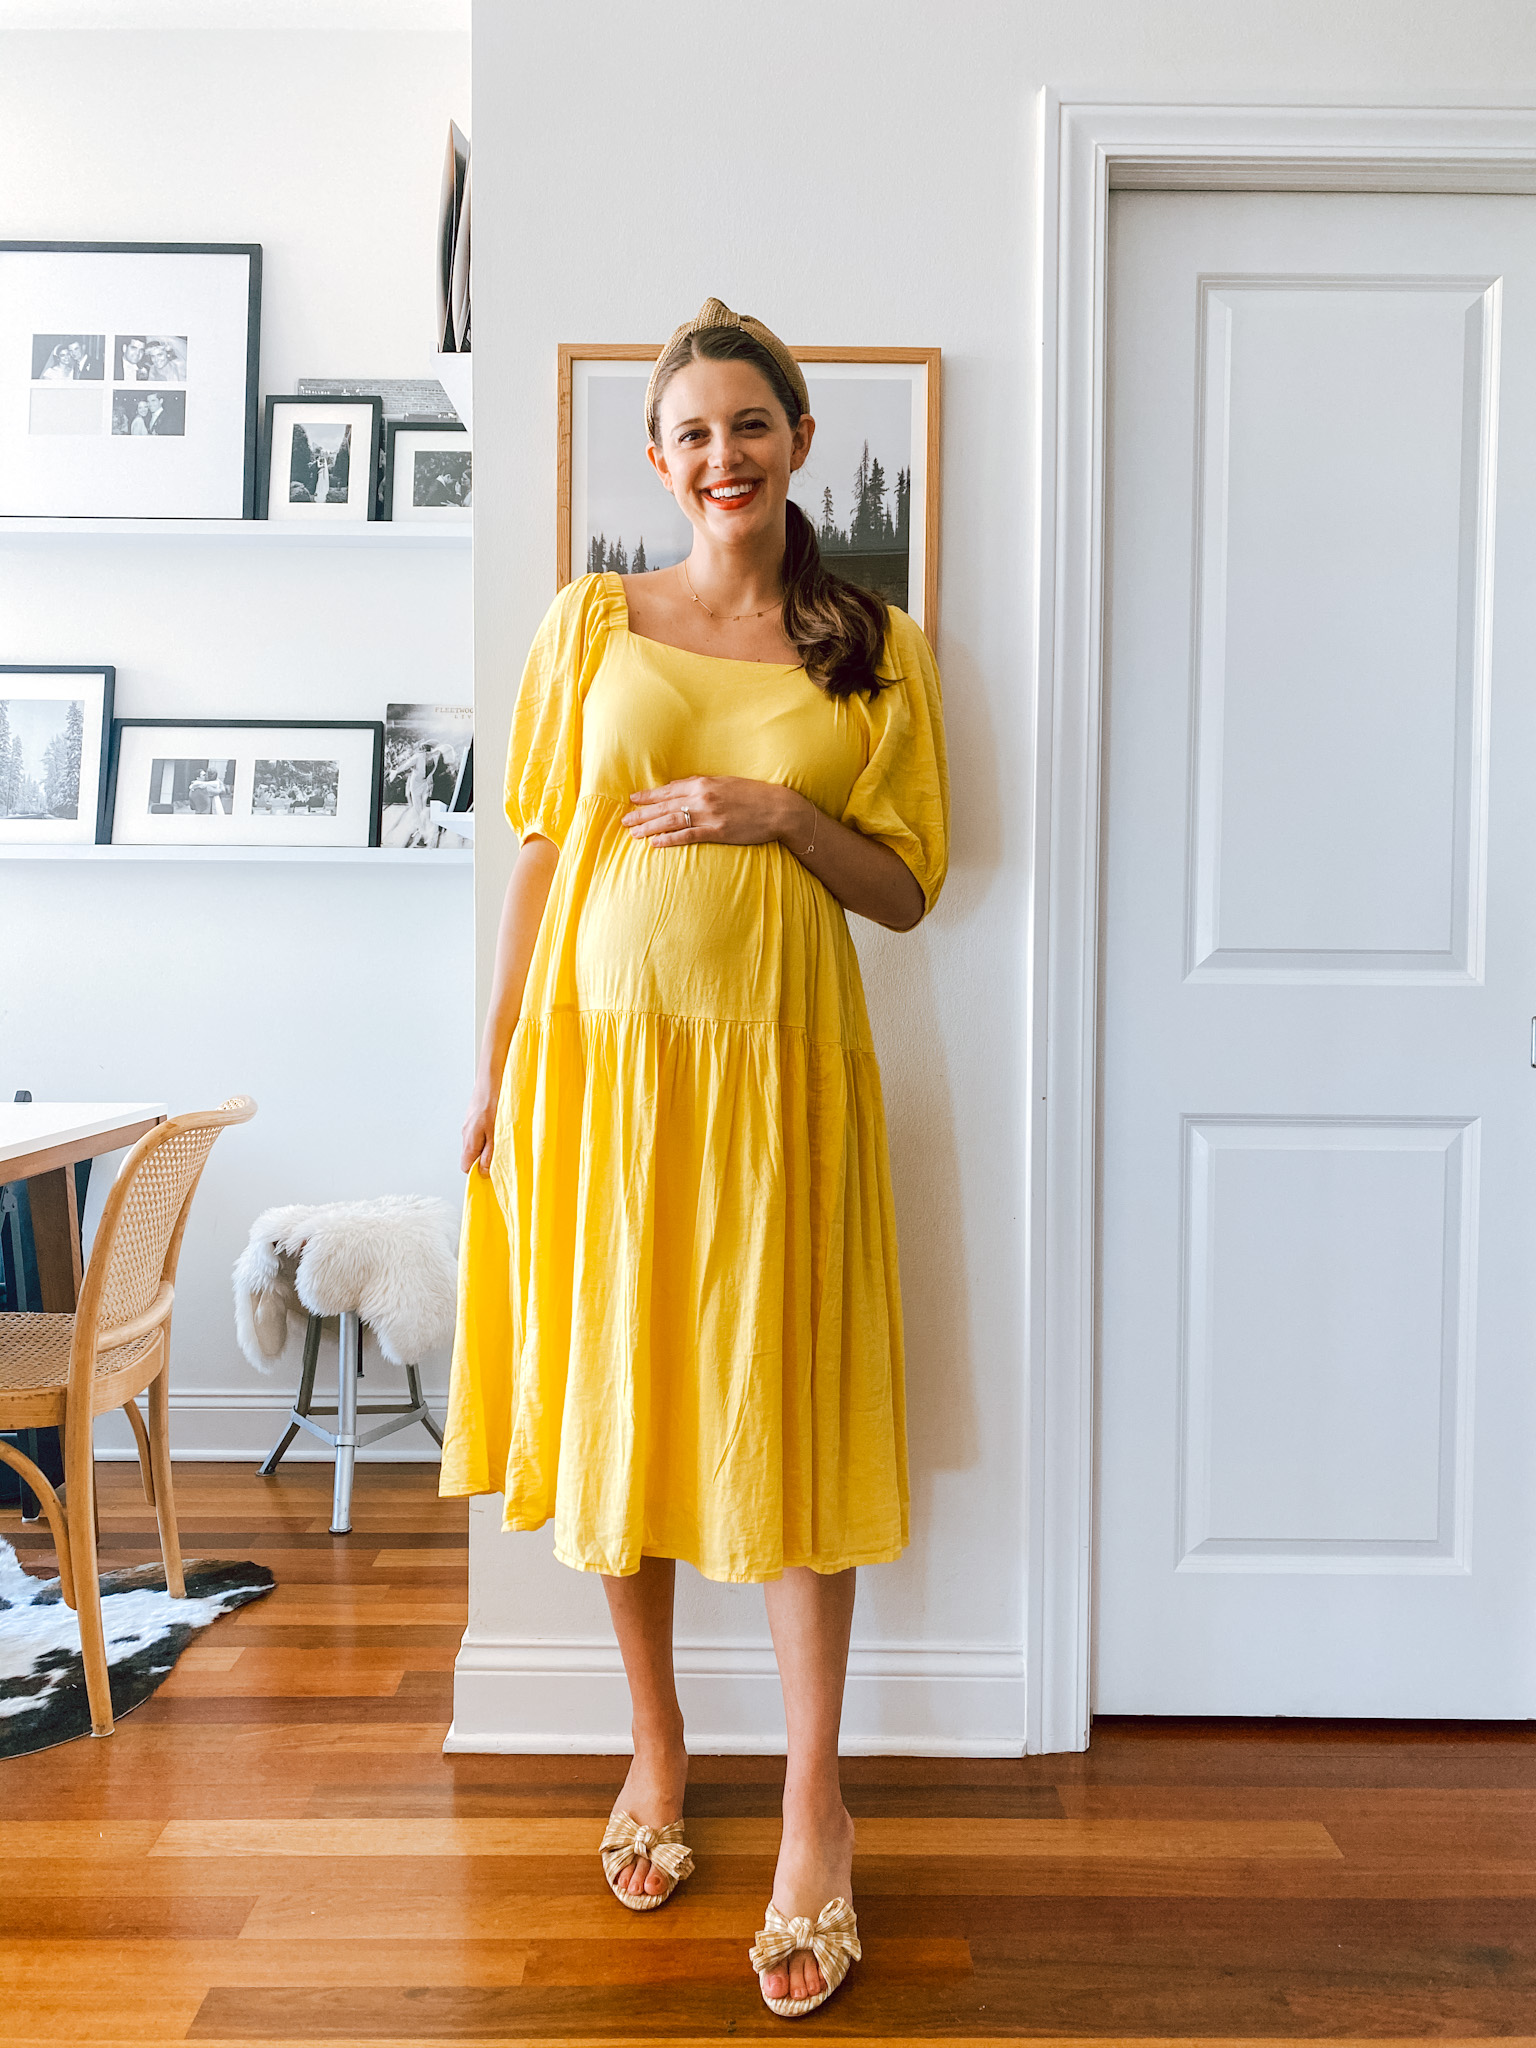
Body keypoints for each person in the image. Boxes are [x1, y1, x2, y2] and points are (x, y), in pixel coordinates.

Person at [443, 298, 948, 2020]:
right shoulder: (591, 623)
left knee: (784, 1407)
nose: (721, 455)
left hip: (786, 1091)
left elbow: (909, 886)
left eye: (752, 424)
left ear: (798, 440)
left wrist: (786, 816)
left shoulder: (872, 643)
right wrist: (499, 1066)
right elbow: (536, 855)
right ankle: (654, 1745)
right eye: (691, 433)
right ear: (657, 460)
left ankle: (817, 1800)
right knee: (623, 1400)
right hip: (601, 1080)